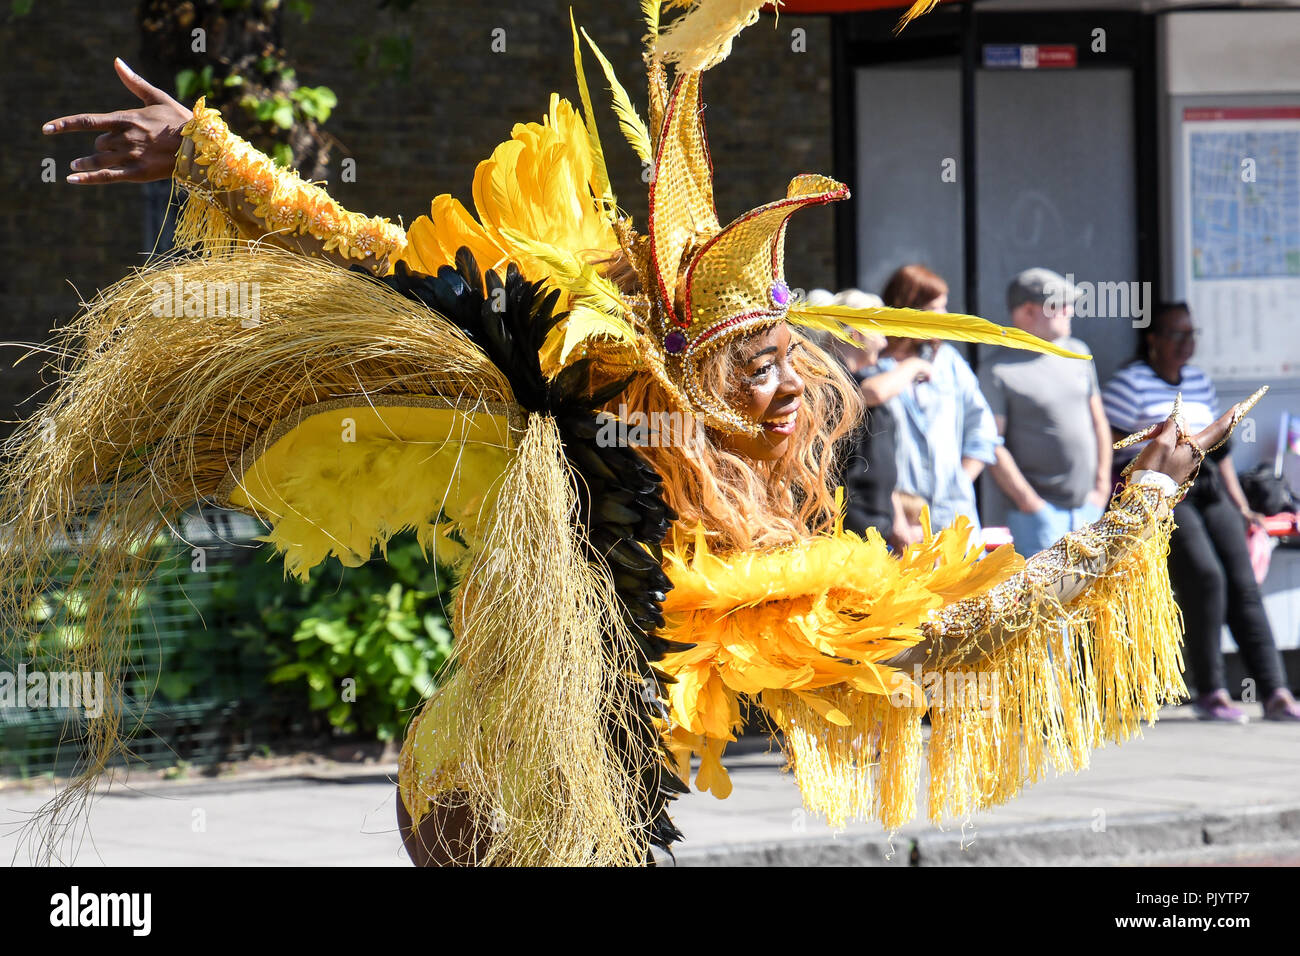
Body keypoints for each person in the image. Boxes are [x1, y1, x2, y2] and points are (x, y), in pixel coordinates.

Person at [9, 3, 1249, 867]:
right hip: (480, 801)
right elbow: (396, 261)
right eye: (752, 368)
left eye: (788, 369)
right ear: (684, 375)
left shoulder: (751, 550)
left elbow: (935, 639)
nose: (781, 397)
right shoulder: (585, 412)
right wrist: (214, 158)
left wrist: (1135, 507)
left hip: (581, 808)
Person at [1102, 302, 1300, 723]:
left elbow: (1222, 450)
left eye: (1191, 335)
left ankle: (1275, 691)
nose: (1185, 345)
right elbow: (1111, 447)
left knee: (1242, 580)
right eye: (1176, 335)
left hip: (1207, 483)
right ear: (1153, 339)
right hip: (1165, 491)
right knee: (1205, 578)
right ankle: (1210, 690)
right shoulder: (1129, 384)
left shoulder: (1198, 381)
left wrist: (1242, 505)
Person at [981, 268, 1113, 556]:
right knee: (1044, 602)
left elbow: (1099, 422)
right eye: (1059, 304)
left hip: (1089, 509)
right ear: (1028, 311)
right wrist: (1031, 504)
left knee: (1092, 600)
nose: (1070, 310)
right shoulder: (997, 370)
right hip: (1037, 518)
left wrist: (1102, 489)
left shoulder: (1077, 352)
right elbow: (991, 444)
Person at [873, 265, 1000, 543]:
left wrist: (960, 481)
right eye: (936, 308)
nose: (945, 316)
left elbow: (983, 430)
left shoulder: (948, 362)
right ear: (909, 310)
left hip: (955, 516)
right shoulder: (874, 367)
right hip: (900, 521)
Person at [817, 288, 927, 550]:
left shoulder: (864, 379)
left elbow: (881, 462)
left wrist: (896, 516)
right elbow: (873, 393)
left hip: (877, 525)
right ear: (856, 334)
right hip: (844, 527)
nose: (884, 342)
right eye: (878, 331)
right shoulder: (828, 380)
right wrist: (912, 366)